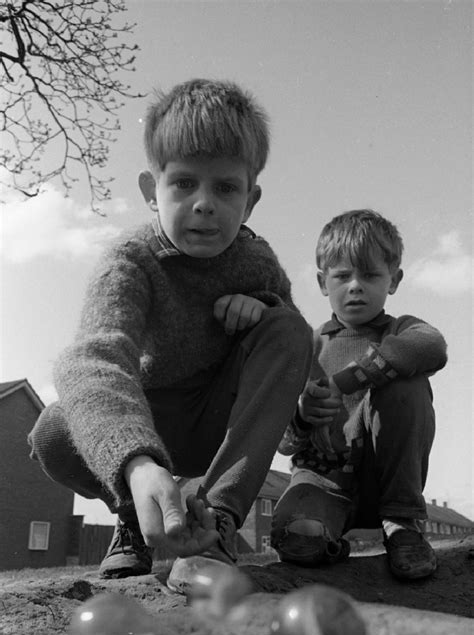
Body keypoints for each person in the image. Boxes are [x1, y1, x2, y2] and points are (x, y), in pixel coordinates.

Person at [29, 78, 313, 591]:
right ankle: (136, 517)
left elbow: (294, 360)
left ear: (251, 200)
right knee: (53, 429)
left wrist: (267, 307)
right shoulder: (129, 262)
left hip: (219, 425)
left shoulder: (258, 262)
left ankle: (218, 524)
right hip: (151, 421)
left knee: (287, 324)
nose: (204, 203)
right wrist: (136, 464)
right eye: (183, 183)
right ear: (149, 190)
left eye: (225, 187)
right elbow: (96, 360)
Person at [271, 209, 447, 580]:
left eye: (369, 275)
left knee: (405, 382)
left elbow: (432, 347)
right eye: (342, 276)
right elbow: (284, 444)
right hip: (323, 484)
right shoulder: (307, 345)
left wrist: (349, 380)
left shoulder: (403, 330)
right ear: (322, 282)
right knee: (296, 541)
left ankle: (402, 523)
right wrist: (303, 414)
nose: (355, 285)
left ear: (393, 280)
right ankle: (331, 544)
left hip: (387, 485)